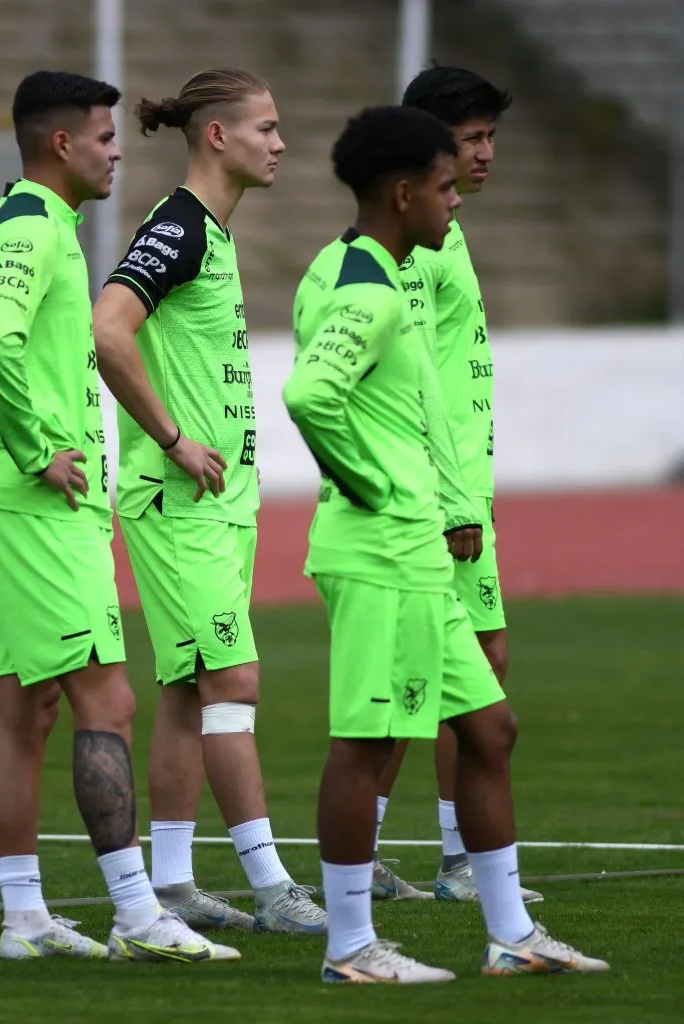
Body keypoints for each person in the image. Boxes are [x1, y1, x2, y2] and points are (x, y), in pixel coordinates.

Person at [283, 103, 610, 982]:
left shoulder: (373, 272)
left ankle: (511, 936)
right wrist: (372, 483)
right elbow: (310, 393)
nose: (452, 201)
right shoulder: (365, 287)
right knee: (367, 745)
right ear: (400, 192)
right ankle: (350, 948)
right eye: (438, 187)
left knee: (489, 728)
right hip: (381, 551)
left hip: (417, 553)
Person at [0, 70, 239, 964]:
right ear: (60, 145)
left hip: (21, 503)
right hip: (37, 503)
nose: (118, 151)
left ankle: (24, 918)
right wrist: (39, 448)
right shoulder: (31, 228)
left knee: (26, 709)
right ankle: (135, 911)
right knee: (107, 702)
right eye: (105, 137)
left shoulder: (36, 224)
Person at [93, 67, 326, 935]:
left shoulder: (211, 233)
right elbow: (108, 329)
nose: (280, 143)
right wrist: (170, 437)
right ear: (218, 136)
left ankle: (176, 880)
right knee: (232, 677)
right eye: (266, 127)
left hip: (217, 504)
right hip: (177, 499)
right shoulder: (180, 227)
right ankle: (272, 889)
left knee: (192, 690)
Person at [370, 66, 543, 905]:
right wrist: (450, 500)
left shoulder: (448, 232)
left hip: (465, 492)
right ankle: (398, 854)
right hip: (441, 501)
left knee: (469, 667)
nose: (485, 153)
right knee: (422, 676)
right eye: (470, 138)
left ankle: (455, 859)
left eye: (489, 137)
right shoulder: (411, 247)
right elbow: (409, 382)